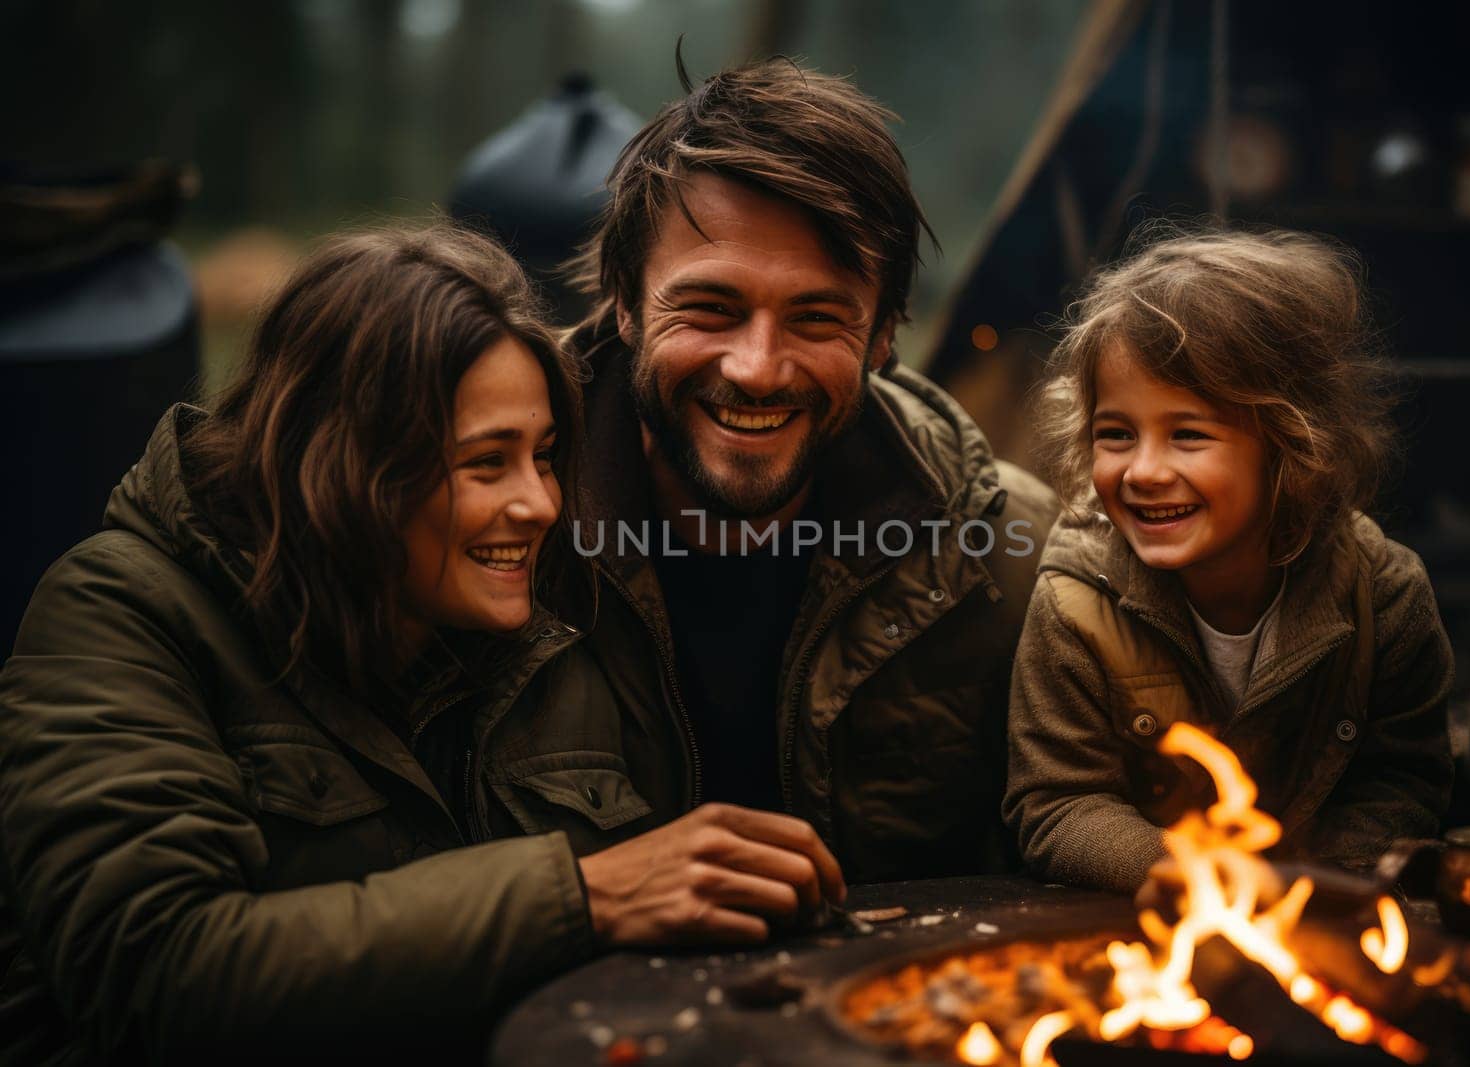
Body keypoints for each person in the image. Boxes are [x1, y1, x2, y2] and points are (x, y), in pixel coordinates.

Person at [0, 224, 843, 1064]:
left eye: (545, 457)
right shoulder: (123, 614)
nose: (541, 504)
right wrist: (580, 897)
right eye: (487, 463)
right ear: (347, 467)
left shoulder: (545, 635)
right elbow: (154, 971)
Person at [543, 57, 1059, 883]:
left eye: (817, 317)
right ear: (625, 304)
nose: (757, 367)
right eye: (711, 308)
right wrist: (577, 895)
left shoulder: (1012, 560)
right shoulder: (487, 527)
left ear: (884, 335)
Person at [1005, 227, 1454, 893]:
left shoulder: (1381, 592)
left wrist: (1304, 883)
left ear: (1288, 442)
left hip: (1319, 924)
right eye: (1116, 434)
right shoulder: (1077, 596)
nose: (1144, 471)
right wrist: (1194, 874)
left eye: (1188, 434)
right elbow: (1057, 804)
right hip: (1150, 935)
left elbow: (1402, 780)